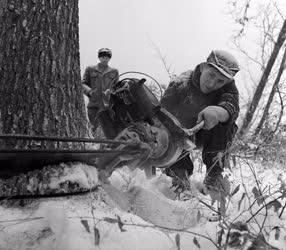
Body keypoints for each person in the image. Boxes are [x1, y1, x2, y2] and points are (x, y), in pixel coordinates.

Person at [161, 50, 240, 192]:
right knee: (168, 124)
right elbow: (162, 114)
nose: (211, 83)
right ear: (204, 67)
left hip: (208, 134)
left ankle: (214, 174)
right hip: (181, 133)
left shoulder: (229, 88)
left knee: (227, 124)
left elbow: (232, 106)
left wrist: (217, 112)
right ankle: (179, 171)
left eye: (220, 81)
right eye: (211, 75)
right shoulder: (181, 83)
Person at [82, 48, 119, 135]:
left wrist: (111, 91)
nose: (104, 58)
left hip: (108, 107)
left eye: (107, 57)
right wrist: (89, 91)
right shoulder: (90, 69)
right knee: (94, 129)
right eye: (102, 56)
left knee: (108, 131)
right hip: (94, 105)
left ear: (109, 58)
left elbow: (117, 87)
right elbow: (83, 84)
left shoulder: (114, 71)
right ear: (99, 57)